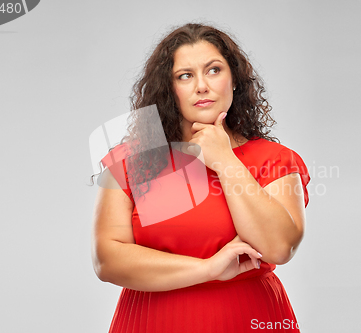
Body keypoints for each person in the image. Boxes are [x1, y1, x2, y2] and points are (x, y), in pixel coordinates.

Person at [91, 22, 311, 333]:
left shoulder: (275, 160)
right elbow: (107, 260)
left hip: (247, 318)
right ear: (170, 90)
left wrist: (224, 160)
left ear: (234, 80)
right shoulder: (129, 161)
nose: (201, 86)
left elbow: (278, 247)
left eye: (214, 70)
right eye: (185, 76)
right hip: (152, 321)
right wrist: (208, 269)